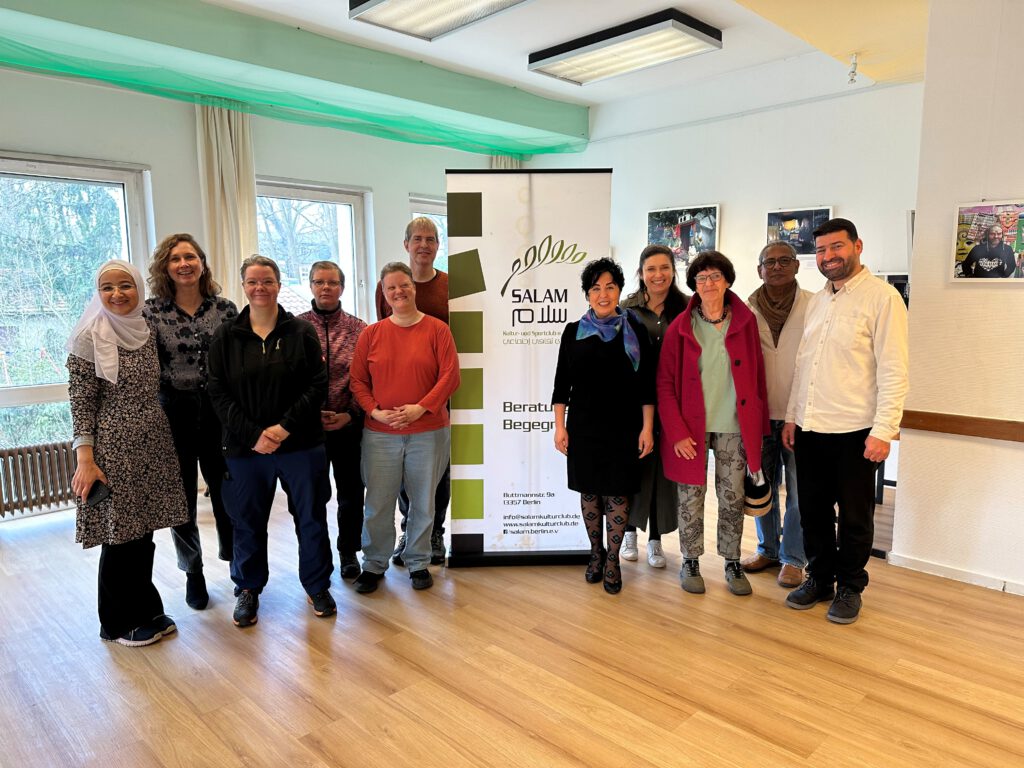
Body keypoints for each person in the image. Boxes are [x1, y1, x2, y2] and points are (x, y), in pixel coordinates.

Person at [783, 218, 909, 624]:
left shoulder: (882, 298)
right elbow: (804, 366)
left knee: (855, 517)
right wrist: (792, 417)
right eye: (821, 250)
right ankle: (820, 579)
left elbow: (894, 369)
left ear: (857, 246)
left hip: (856, 431)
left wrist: (884, 430)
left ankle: (851, 586)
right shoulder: (818, 301)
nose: (828, 256)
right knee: (813, 513)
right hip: (810, 427)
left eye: (836, 247)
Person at [208, 255, 335, 628]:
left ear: (279, 285)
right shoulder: (226, 336)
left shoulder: (301, 332)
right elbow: (217, 392)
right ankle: (248, 588)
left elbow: (317, 385)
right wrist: (254, 435)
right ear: (243, 286)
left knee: (311, 518)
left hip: (301, 444)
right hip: (246, 449)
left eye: (267, 281)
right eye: (252, 281)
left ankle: (317, 585)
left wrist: (284, 428)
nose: (259, 287)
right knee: (247, 521)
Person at [67, 260, 189, 646]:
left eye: (125, 285)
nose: (117, 294)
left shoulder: (145, 327)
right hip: (113, 443)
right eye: (107, 287)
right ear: (98, 293)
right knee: (120, 535)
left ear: (139, 288)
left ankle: (146, 609)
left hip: (151, 438)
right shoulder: (89, 335)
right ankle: (117, 623)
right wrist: (85, 459)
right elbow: (81, 401)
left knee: (144, 531)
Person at [657, 251, 768, 597]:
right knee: (691, 495)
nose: (708, 283)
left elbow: (758, 377)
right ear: (694, 284)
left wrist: (759, 429)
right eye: (701, 278)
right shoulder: (680, 328)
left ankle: (732, 561)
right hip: (691, 429)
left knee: (732, 496)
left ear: (727, 281)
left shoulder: (746, 322)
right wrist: (676, 432)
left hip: (735, 425)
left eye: (715, 276)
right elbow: (664, 384)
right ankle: (690, 559)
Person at [350, 262, 460, 594]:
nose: (398, 292)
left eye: (404, 285)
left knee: (423, 501)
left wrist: (420, 408)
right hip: (380, 434)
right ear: (383, 294)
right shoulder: (371, 334)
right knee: (378, 502)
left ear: (414, 287)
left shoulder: (438, 330)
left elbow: (450, 376)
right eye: (391, 288)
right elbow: (358, 381)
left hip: (428, 431)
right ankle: (374, 563)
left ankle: (418, 562)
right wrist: (375, 412)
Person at [144, 233, 237, 610]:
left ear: (202, 262)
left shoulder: (225, 309)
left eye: (190, 257)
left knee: (227, 490)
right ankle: (192, 572)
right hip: (174, 410)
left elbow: (235, 363)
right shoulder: (151, 312)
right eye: (175, 258)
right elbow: (146, 366)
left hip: (218, 410)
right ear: (165, 267)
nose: (184, 264)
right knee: (180, 498)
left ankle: (236, 562)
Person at [552, 257, 655, 594]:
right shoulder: (573, 332)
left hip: (625, 427)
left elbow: (647, 385)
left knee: (617, 493)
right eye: (596, 288)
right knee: (590, 493)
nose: (603, 294)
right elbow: (561, 385)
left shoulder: (635, 330)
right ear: (587, 294)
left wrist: (647, 428)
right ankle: (595, 554)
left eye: (610, 287)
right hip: (583, 427)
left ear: (619, 290)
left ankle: (613, 560)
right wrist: (560, 426)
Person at [375, 217, 451, 567]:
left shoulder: (451, 286)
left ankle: (434, 532)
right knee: (404, 468)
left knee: (438, 469)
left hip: (438, 394)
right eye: (417, 238)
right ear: (406, 244)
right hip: (398, 396)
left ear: (438, 245)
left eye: (430, 239)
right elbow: (385, 333)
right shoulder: (389, 285)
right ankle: (410, 530)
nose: (424, 245)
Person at [741, 241, 811, 588]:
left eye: (785, 261)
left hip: (800, 415)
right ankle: (767, 549)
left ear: (797, 266)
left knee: (799, 489)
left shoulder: (814, 305)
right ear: (760, 270)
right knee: (761, 485)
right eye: (770, 262)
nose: (777, 267)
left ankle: (794, 558)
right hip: (758, 415)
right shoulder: (746, 309)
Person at [296, 261, 367, 581]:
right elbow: (289, 379)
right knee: (313, 497)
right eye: (319, 282)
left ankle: (348, 551)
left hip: (348, 425)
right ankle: (316, 556)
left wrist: (349, 414)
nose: (326, 287)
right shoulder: (296, 327)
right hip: (308, 429)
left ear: (342, 287)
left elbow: (366, 378)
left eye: (333, 282)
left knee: (351, 493)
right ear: (311, 285)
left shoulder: (358, 328)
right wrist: (309, 414)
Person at [619, 245, 689, 569]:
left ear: (673, 271)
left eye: (664, 268)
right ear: (641, 272)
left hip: (674, 402)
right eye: (651, 269)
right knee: (635, 465)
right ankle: (629, 532)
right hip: (634, 402)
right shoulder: (626, 308)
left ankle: (656, 539)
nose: (658, 275)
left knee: (664, 473)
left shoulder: (687, 308)